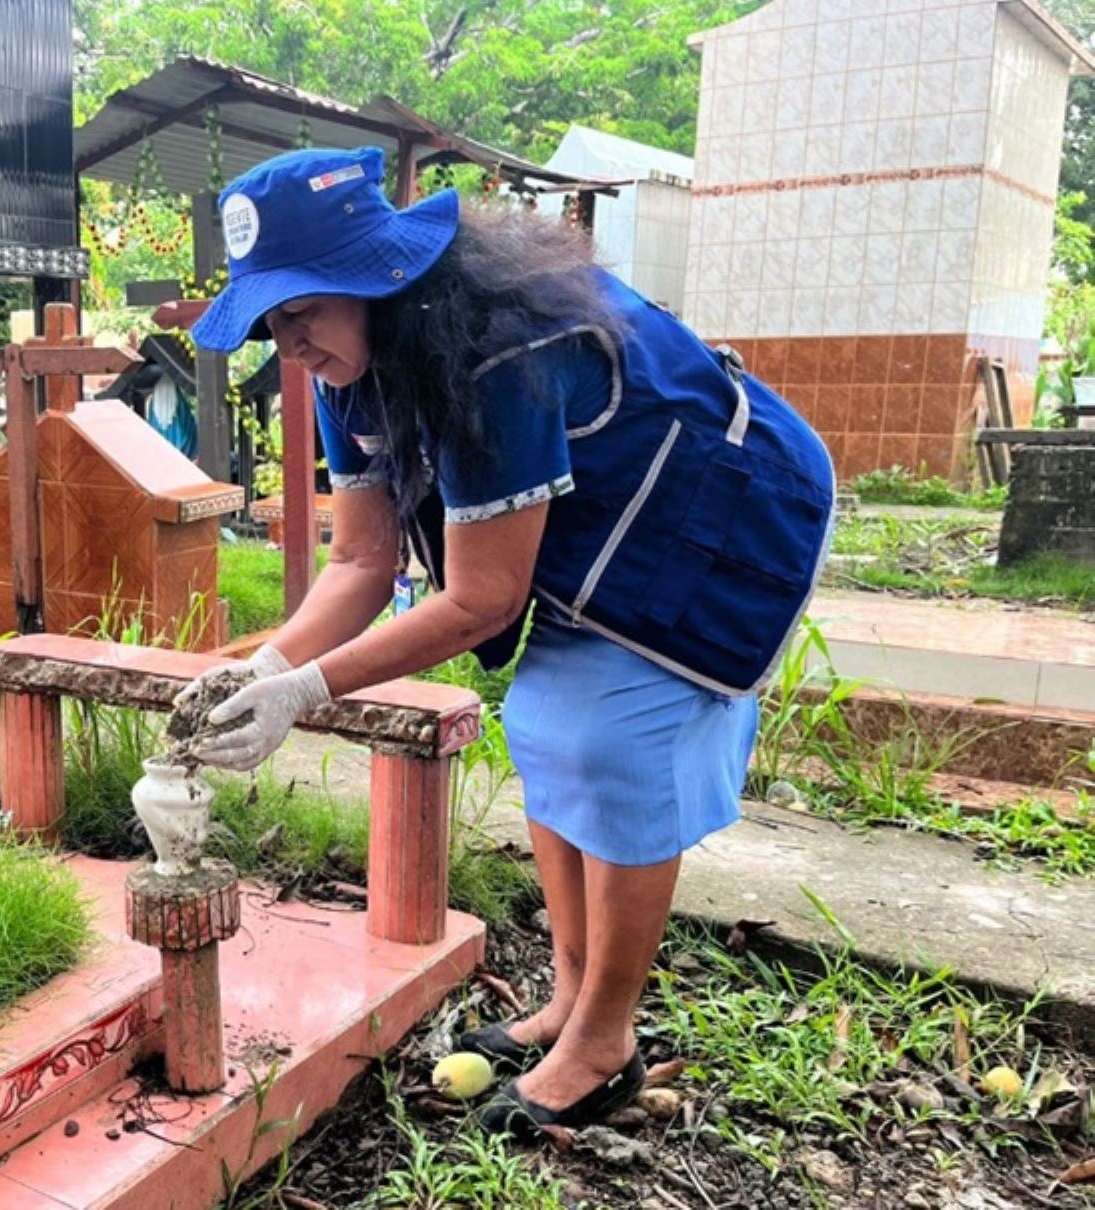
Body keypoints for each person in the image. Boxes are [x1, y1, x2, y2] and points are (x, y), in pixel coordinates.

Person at [179, 146, 834, 1136]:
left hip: (719, 518)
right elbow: (360, 564)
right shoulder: (347, 371)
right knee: (540, 724)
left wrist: (305, 692)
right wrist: (267, 668)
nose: (289, 342)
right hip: (600, 526)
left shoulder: (495, 352)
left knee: (612, 741)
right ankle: (573, 1001)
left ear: (372, 278)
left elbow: (483, 598)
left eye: (300, 310)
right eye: (270, 323)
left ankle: (604, 1039)